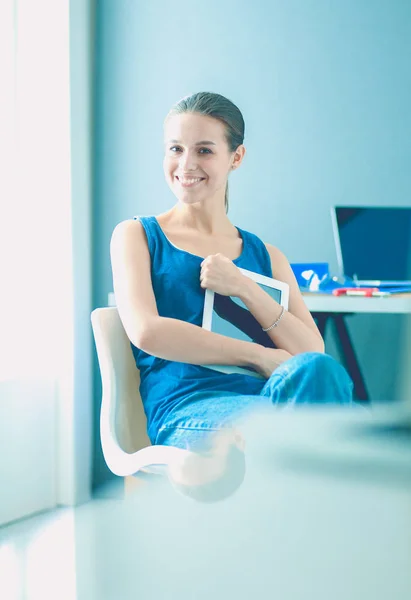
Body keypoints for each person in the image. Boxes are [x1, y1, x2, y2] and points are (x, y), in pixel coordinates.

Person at [110, 91, 354, 462]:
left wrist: (243, 286)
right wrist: (259, 356)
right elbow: (147, 332)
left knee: (319, 375)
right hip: (191, 407)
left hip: (274, 400)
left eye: (204, 150)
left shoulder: (267, 255)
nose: (186, 163)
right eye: (175, 149)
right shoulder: (138, 236)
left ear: (235, 158)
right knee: (324, 436)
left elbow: (311, 354)